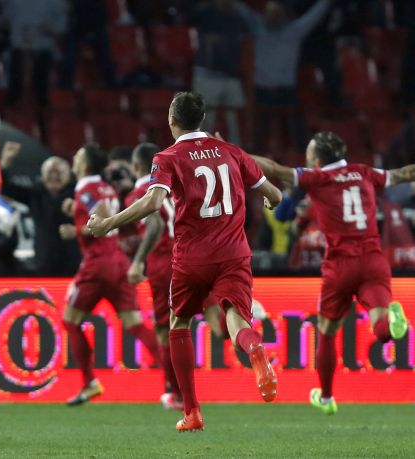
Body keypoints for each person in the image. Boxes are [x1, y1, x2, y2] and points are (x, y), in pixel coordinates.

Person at [87, 92, 282, 431]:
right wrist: (269, 203)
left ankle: (191, 411)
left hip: (191, 256)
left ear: (172, 120)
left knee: (179, 324)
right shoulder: (232, 151)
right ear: (201, 119)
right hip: (234, 253)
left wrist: (107, 224)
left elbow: (153, 203)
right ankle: (255, 350)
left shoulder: (167, 157)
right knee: (236, 318)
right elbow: (275, 195)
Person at [251, 131, 413, 415]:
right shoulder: (365, 172)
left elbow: (275, 169)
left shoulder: (317, 178)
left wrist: (232, 153)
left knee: (326, 333)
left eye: (309, 154)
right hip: (374, 260)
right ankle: (392, 322)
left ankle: (325, 397)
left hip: (340, 266)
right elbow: (402, 174)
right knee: (382, 329)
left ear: (317, 158)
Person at [59, 143, 161, 406]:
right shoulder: (105, 187)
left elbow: (101, 217)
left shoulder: (86, 186)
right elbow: (104, 209)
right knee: (135, 324)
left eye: (78, 154)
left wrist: (77, 230)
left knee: (70, 320)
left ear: (85, 164)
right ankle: (173, 380)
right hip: (118, 261)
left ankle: (90, 383)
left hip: (98, 262)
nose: (74, 156)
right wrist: (76, 212)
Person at [124, 142, 181, 410]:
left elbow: (155, 224)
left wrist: (137, 263)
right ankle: (244, 312)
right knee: (212, 320)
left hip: (163, 264)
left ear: (136, 166)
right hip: (189, 256)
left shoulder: (138, 193)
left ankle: (176, 394)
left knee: (165, 330)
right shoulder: (173, 188)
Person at [234, 0, 331, 152]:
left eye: (276, 13)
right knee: (259, 137)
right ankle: (256, 167)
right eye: (270, 13)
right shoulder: (258, 27)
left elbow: (315, 14)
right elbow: (241, 9)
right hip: (263, 91)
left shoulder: (294, 31)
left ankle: (303, 166)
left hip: (286, 92)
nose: (273, 16)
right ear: (265, 14)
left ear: (283, 15)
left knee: (298, 135)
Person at [0, 141, 81, 276]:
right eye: (50, 172)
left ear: (69, 174)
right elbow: (5, 188)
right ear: (42, 176)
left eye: (58, 172)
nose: (54, 175)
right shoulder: (35, 194)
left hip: (73, 264)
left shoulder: (79, 193)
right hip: (44, 264)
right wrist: (5, 162)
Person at [190, 0, 249, 145]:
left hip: (231, 75)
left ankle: (237, 157)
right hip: (207, 75)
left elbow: (248, 32)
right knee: (204, 121)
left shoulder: (238, 15)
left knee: (235, 121)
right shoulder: (204, 13)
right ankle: (199, 156)